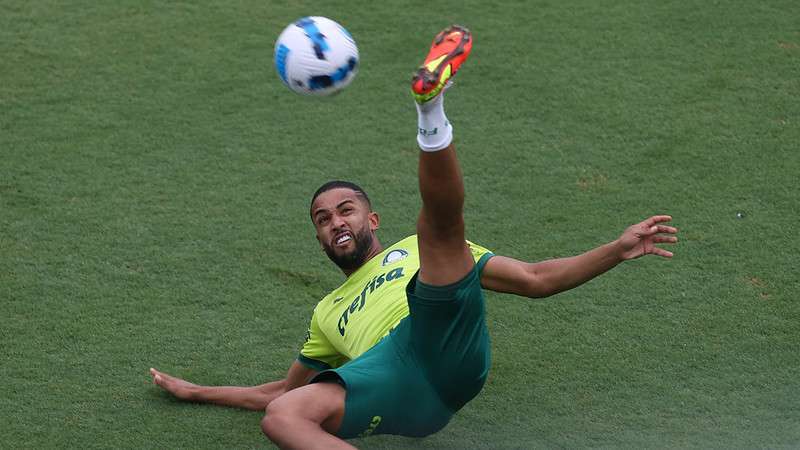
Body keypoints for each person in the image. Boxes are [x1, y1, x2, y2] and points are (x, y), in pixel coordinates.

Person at [149, 25, 678, 449]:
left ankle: (431, 108)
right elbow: (278, 392)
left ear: (371, 220)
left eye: (346, 210)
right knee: (284, 416)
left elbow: (537, 279)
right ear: (318, 236)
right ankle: (430, 110)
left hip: (443, 340)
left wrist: (618, 248)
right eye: (322, 218)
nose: (335, 221)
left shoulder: (406, 250)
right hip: (395, 384)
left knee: (436, 234)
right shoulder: (326, 314)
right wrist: (197, 392)